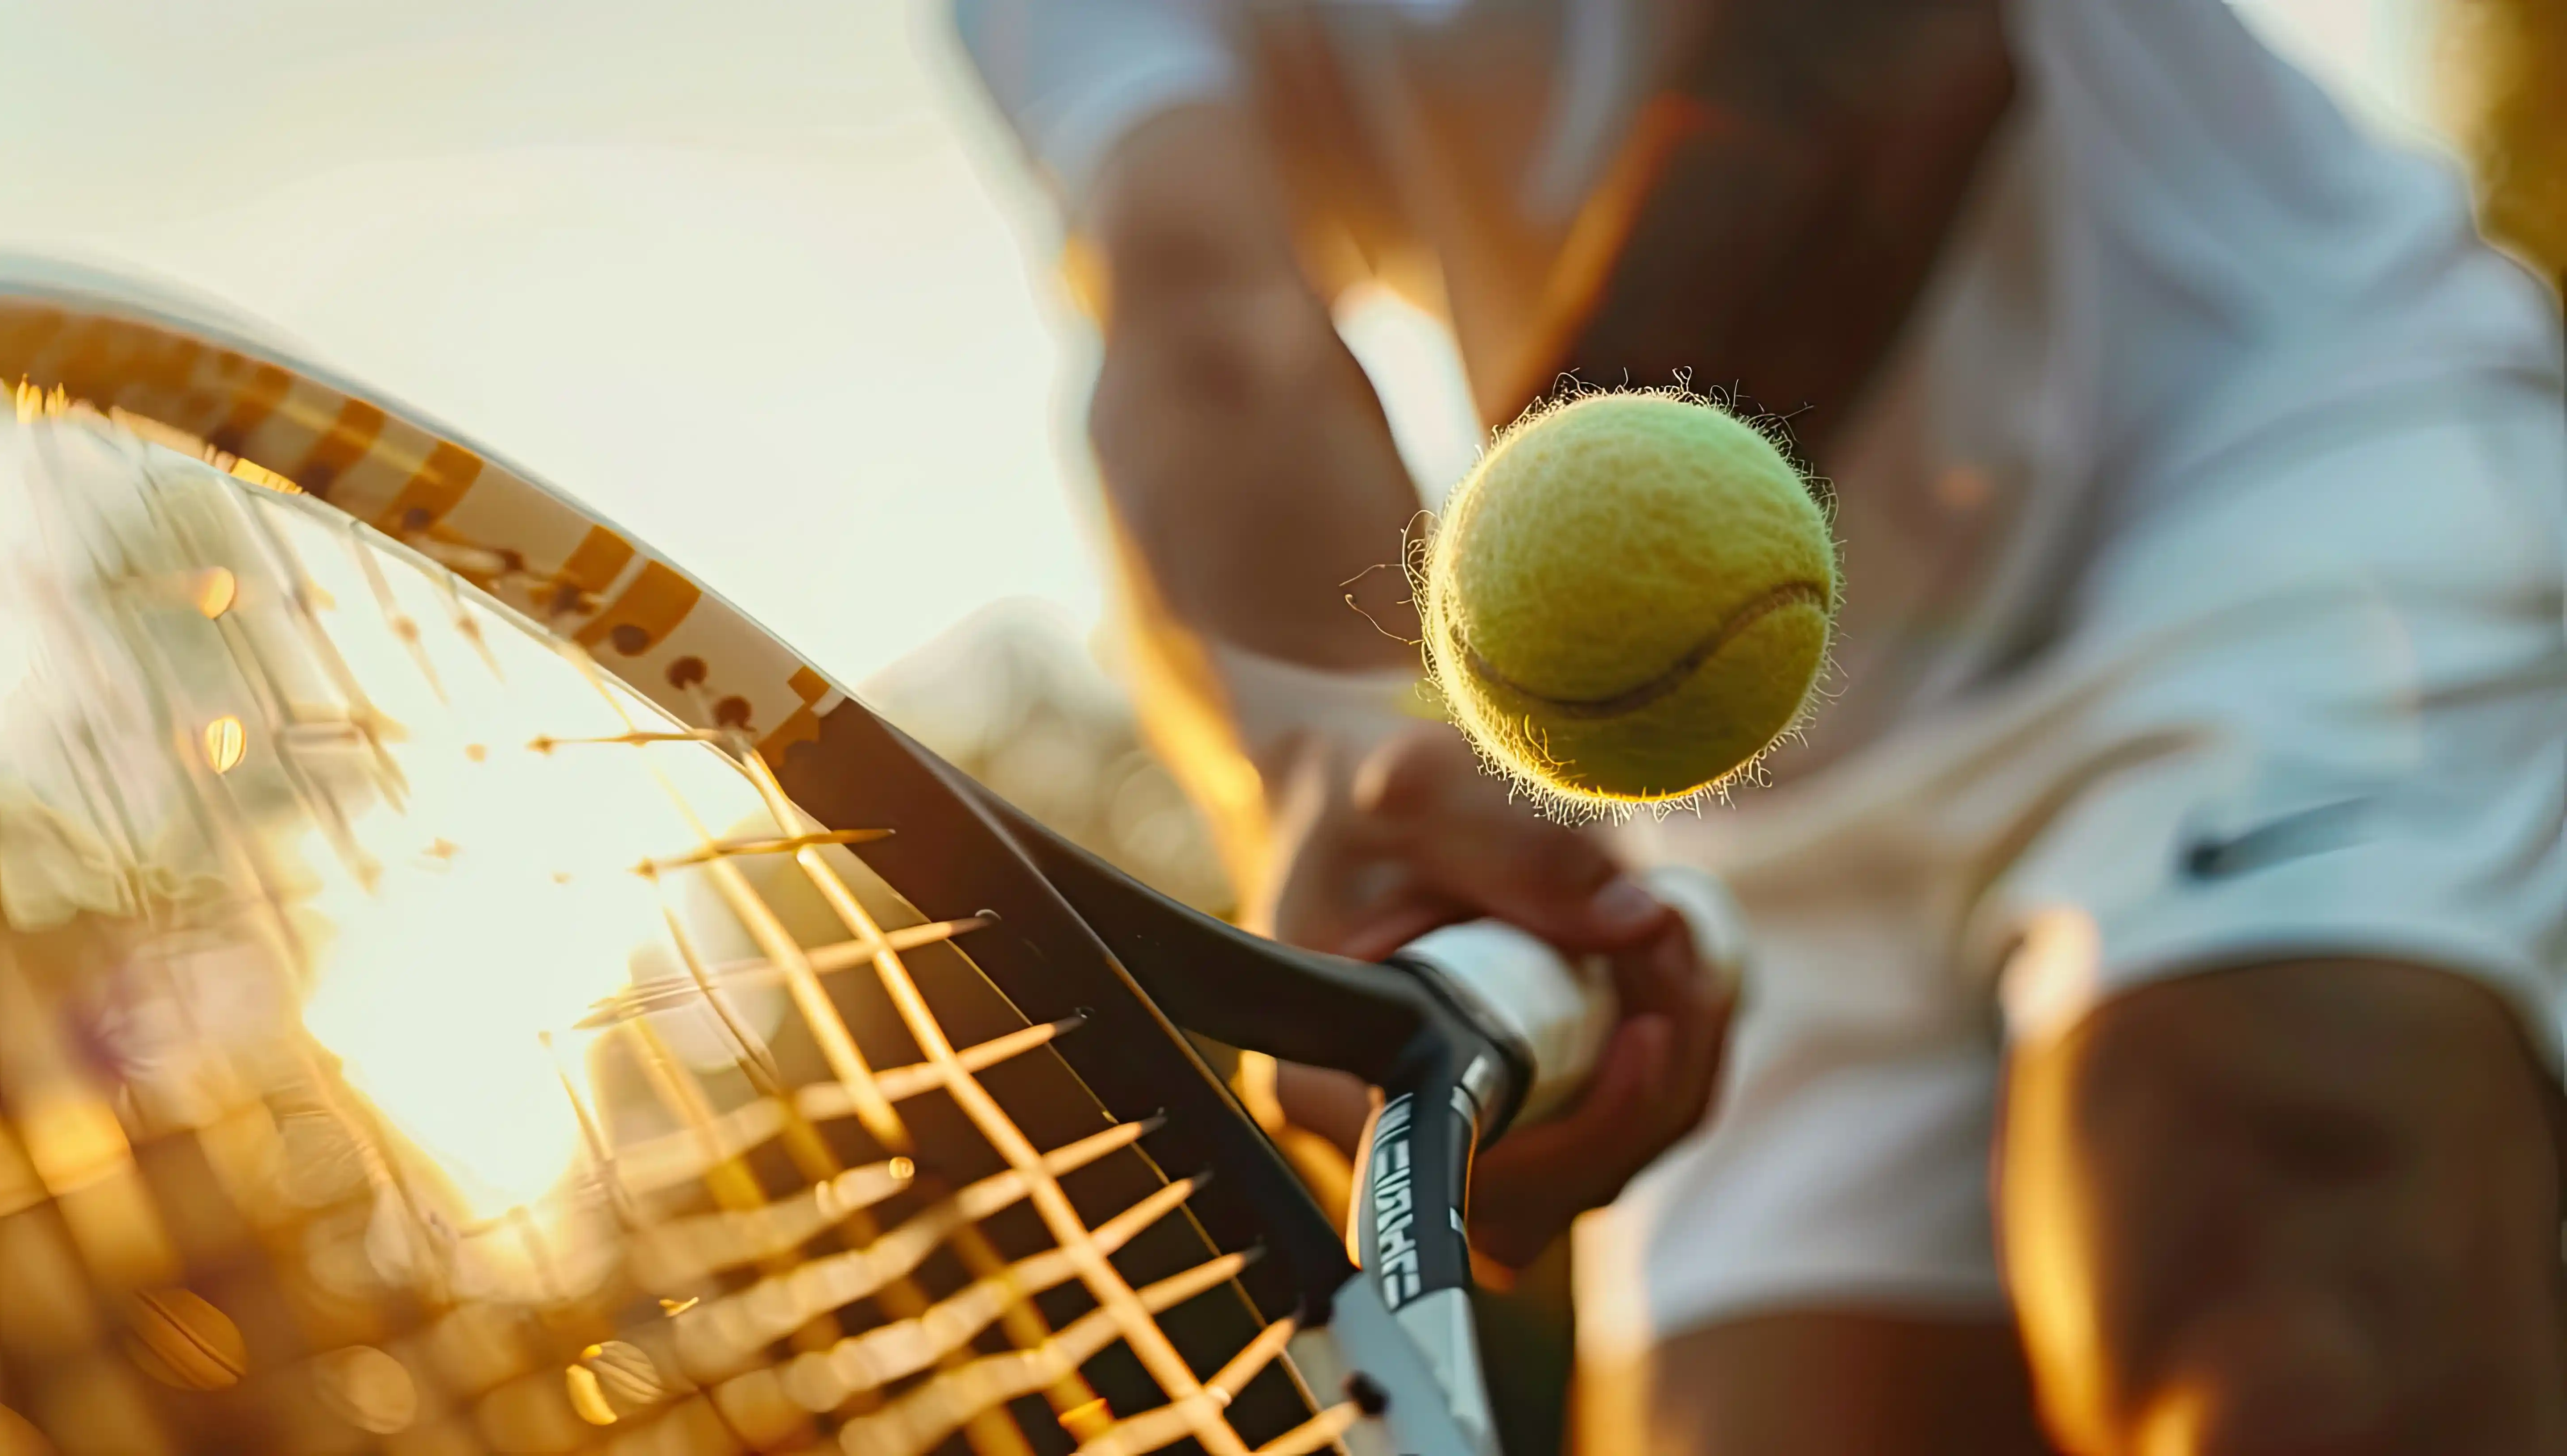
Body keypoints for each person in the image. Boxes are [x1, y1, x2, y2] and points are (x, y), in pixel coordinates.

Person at [950, 1, 2567, 1452]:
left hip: (2249, 472)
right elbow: (1195, 308)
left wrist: (1509, 691)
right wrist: (1354, 762)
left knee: (2288, 1283)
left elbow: (1871, 55)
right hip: (1745, 760)